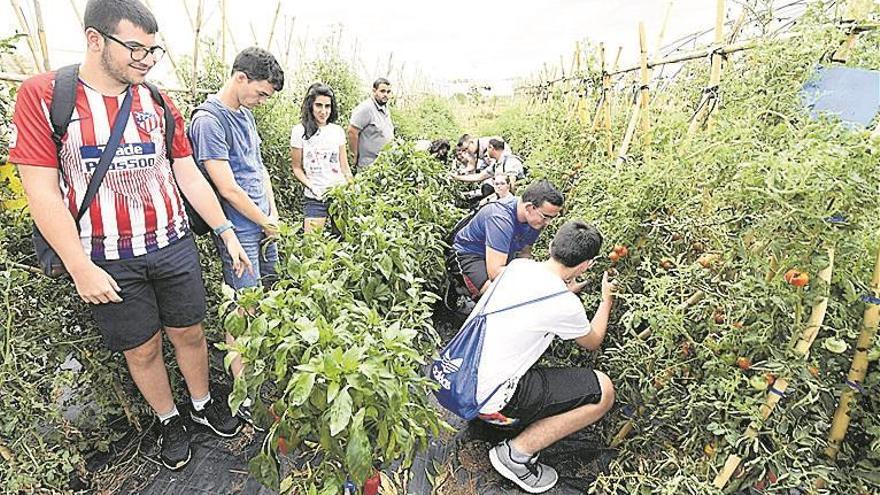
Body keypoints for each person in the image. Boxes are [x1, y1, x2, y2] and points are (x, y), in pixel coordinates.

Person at [9, 0, 250, 471]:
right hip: (107, 258)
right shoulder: (45, 96)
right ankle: (168, 419)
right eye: (135, 48)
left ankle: (201, 404)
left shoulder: (158, 102)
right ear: (95, 39)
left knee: (190, 332)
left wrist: (224, 230)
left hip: (172, 243)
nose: (145, 59)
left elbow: (187, 172)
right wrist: (80, 266)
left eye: (153, 50)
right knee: (141, 348)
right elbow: (41, 192)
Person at [474, 220, 616, 493]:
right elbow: (593, 340)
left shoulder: (517, 268)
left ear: (552, 246)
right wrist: (606, 299)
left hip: (462, 388)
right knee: (604, 390)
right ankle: (516, 455)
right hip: (495, 408)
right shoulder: (565, 305)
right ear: (586, 264)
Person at [186, 46, 283, 426]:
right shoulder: (209, 121)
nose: (261, 101)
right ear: (240, 78)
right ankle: (243, 393)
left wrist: (271, 214)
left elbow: (258, 170)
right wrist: (262, 221)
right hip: (239, 229)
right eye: (261, 92)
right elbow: (226, 187)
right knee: (243, 309)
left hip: (261, 222)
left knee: (264, 300)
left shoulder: (244, 114)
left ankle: (261, 373)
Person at [447, 180, 565, 300]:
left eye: (552, 218)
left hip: (501, 255)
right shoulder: (500, 218)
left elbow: (524, 254)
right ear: (529, 207)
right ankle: (461, 289)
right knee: (496, 294)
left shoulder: (535, 221)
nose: (548, 223)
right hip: (469, 254)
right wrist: (543, 276)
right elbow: (495, 273)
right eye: (546, 217)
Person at [291, 83, 353, 232]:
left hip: (339, 196)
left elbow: (344, 167)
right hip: (315, 197)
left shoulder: (337, 131)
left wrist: (352, 187)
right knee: (311, 245)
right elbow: (296, 168)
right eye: (319, 105)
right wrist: (312, 186)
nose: (323, 111)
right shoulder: (299, 131)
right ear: (310, 105)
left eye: (327, 106)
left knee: (341, 244)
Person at [347, 78, 394, 171]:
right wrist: (354, 156)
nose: (385, 95)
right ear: (374, 91)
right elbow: (352, 131)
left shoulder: (385, 108)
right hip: (368, 166)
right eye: (382, 91)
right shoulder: (366, 108)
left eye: (388, 92)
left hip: (383, 166)